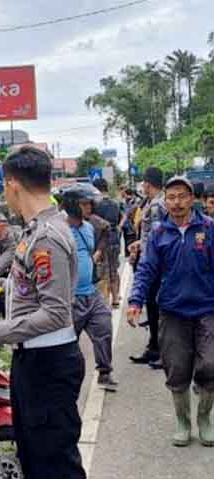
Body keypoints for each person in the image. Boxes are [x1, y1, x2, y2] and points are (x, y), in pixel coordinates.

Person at [0, 147, 85, 479]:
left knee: (55, 464)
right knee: (35, 457)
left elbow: (55, 313)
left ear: (13, 184)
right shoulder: (33, 230)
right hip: (33, 359)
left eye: (2, 187)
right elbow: (26, 287)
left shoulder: (46, 238)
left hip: (48, 363)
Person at [127, 176, 214, 447]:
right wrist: (135, 300)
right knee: (176, 369)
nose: (177, 202)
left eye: (182, 196)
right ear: (166, 200)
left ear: (192, 199)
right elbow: (147, 269)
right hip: (172, 311)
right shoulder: (158, 233)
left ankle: (204, 419)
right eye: (172, 197)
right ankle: (183, 422)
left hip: (207, 309)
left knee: (211, 365)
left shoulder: (209, 228)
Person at [64, 190, 119, 391]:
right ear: (71, 205)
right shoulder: (59, 230)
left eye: (89, 204)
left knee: (104, 327)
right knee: (68, 344)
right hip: (71, 298)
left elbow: (105, 230)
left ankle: (105, 373)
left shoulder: (88, 227)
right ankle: (64, 382)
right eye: (83, 204)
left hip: (91, 292)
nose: (88, 208)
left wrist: (96, 253)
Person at [129, 166, 166, 368]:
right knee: (152, 306)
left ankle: (162, 351)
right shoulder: (153, 202)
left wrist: (144, 249)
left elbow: (157, 237)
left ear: (147, 183)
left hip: (155, 264)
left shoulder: (156, 205)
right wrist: (139, 245)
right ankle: (153, 347)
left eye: (143, 182)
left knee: (156, 307)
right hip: (151, 260)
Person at [92, 178, 122, 307]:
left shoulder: (95, 204)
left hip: (101, 241)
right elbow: (122, 217)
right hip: (115, 239)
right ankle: (115, 299)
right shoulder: (115, 203)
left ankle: (105, 301)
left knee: (103, 272)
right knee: (114, 269)